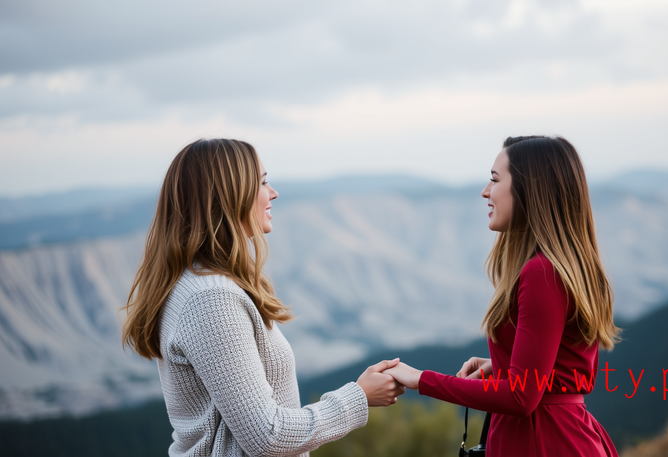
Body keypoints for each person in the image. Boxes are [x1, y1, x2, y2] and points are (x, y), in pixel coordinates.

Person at [122, 138, 405, 457]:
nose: (273, 193)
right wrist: (358, 397)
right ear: (229, 195)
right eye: (263, 181)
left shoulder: (197, 283)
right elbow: (268, 436)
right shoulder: (211, 299)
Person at [385, 136, 621, 456]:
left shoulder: (542, 273)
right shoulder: (563, 266)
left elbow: (521, 398)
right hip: (558, 436)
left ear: (529, 191)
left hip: (543, 442)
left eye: (495, 180)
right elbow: (560, 366)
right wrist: (502, 365)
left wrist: (419, 379)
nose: (485, 191)